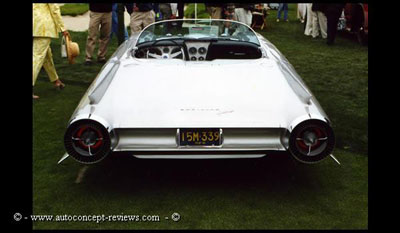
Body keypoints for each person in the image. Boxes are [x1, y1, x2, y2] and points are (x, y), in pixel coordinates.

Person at [33, 3, 68, 99]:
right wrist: (62, 28)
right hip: (43, 26)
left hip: (36, 24)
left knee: (46, 56)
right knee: (37, 57)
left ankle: (56, 81)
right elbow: (54, 9)